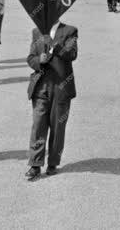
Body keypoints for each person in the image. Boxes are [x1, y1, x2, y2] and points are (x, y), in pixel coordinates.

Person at [25, 20, 78, 180]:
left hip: (61, 87)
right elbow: (30, 58)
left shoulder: (70, 30)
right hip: (41, 86)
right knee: (38, 124)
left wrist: (54, 44)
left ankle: (53, 162)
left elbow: (72, 54)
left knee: (58, 126)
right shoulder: (36, 31)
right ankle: (35, 164)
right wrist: (38, 61)